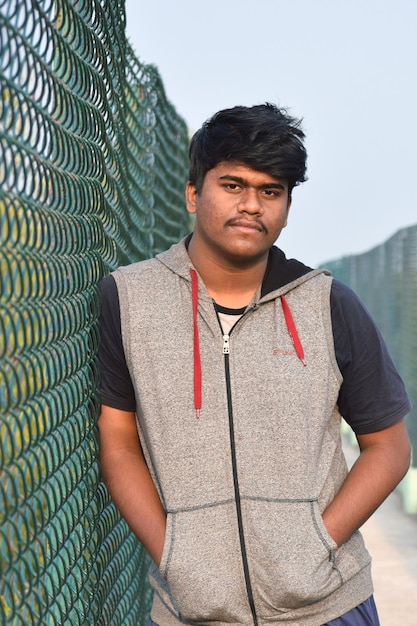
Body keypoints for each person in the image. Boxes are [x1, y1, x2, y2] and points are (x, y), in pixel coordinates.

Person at [98, 103, 411, 626]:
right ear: (194, 193)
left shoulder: (328, 303)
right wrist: (175, 555)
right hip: (189, 612)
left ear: (287, 206)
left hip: (329, 607)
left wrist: (315, 544)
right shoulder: (128, 299)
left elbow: (389, 446)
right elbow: (118, 442)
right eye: (233, 185)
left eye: (271, 192)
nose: (251, 206)